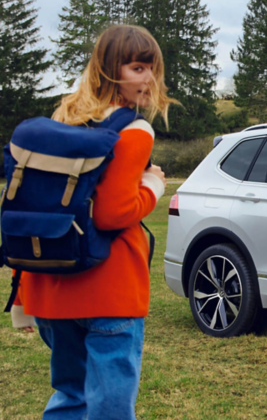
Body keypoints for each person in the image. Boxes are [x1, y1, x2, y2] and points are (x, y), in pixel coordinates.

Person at [9, 24, 174, 419]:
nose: (149, 78)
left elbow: (44, 207)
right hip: (110, 291)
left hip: (52, 287)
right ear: (109, 70)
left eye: (151, 68)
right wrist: (153, 185)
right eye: (137, 67)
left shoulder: (62, 120)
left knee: (70, 398)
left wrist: (22, 297)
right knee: (110, 408)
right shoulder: (135, 130)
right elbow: (112, 214)